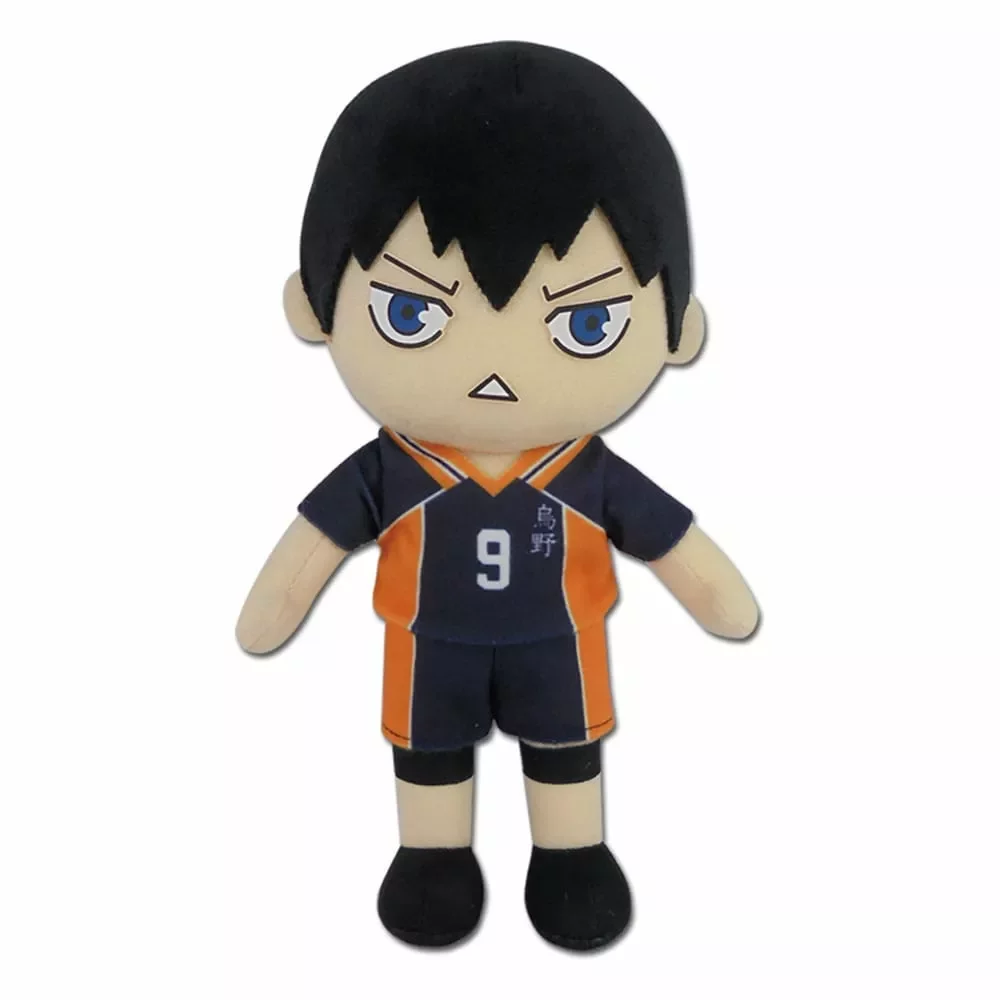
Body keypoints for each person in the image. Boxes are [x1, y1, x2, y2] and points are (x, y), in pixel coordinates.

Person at [237, 40, 759, 951]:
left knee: (566, 750)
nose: (495, 373)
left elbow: (678, 549)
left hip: (559, 642)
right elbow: (306, 553)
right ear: (316, 308)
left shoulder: (586, 472)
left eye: (586, 323)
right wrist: (270, 612)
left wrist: (720, 600)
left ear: (677, 329)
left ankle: (571, 854)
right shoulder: (392, 470)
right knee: (427, 752)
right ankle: (432, 856)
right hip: (426, 642)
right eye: (412, 313)